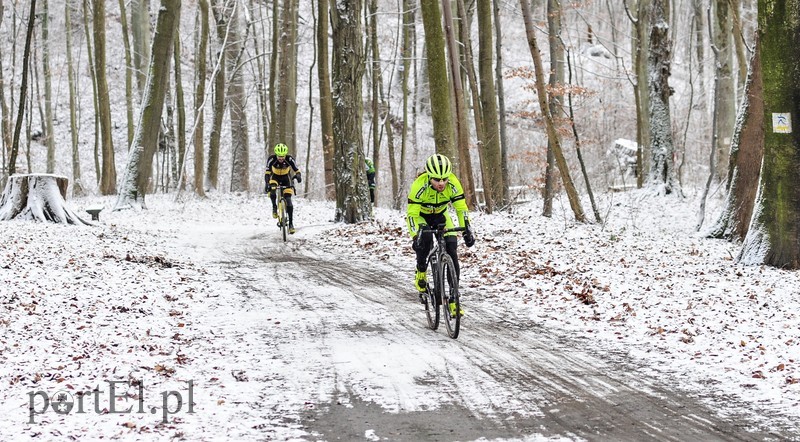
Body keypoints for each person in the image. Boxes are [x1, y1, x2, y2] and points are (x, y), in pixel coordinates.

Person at [406, 153, 475, 314]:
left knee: (452, 247)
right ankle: (421, 271)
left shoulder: (453, 184)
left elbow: (461, 208)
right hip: (421, 217)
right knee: (425, 240)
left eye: (444, 179)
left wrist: (467, 229)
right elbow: (412, 215)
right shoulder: (419, 186)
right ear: (429, 176)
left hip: (441, 215)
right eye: (437, 179)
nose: (441, 183)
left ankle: (453, 299)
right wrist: (415, 236)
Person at [265, 143, 302, 234]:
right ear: (276, 155)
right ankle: (274, 207)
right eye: (279, 156)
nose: (281, 158)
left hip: (286, 178)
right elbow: (267, 173)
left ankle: (291, 224)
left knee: (289, 201)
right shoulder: (271, 159)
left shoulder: (289, 159)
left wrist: (298, 176)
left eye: (282, 156)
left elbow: (296, 170)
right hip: (275, 177)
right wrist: (267, 183)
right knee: (273, 190)